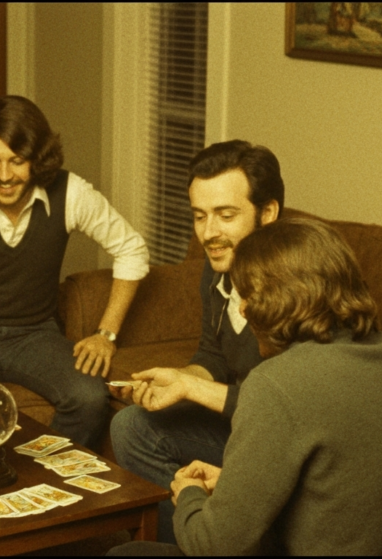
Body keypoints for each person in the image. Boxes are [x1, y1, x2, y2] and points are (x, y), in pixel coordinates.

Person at [110, 218, 382, 555]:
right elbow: (344, 488)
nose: (242, 310)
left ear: (285, 298)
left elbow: (214, 545)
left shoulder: (276, 383)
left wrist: (189, 495)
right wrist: (233, 485)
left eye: (249, 296)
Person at [0, 95, 149, 447]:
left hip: (35, 334)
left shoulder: (70, 193)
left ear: (37, 158)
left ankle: (37, 476)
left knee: (88, 397)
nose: (4, 176)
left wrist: (107, 333)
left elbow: (131, 248)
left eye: (17, 161)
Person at [108, 139, 283, 543]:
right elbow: (213, 354)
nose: (209, 233)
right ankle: (193, 541)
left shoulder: (295, 288)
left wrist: (194, 388)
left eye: (226, 215)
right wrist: (178, 379)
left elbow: (290, 410)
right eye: (199, 216)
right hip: (240, 427)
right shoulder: (218, 268)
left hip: (280, 443)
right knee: (131, 426)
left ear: (268, 213)